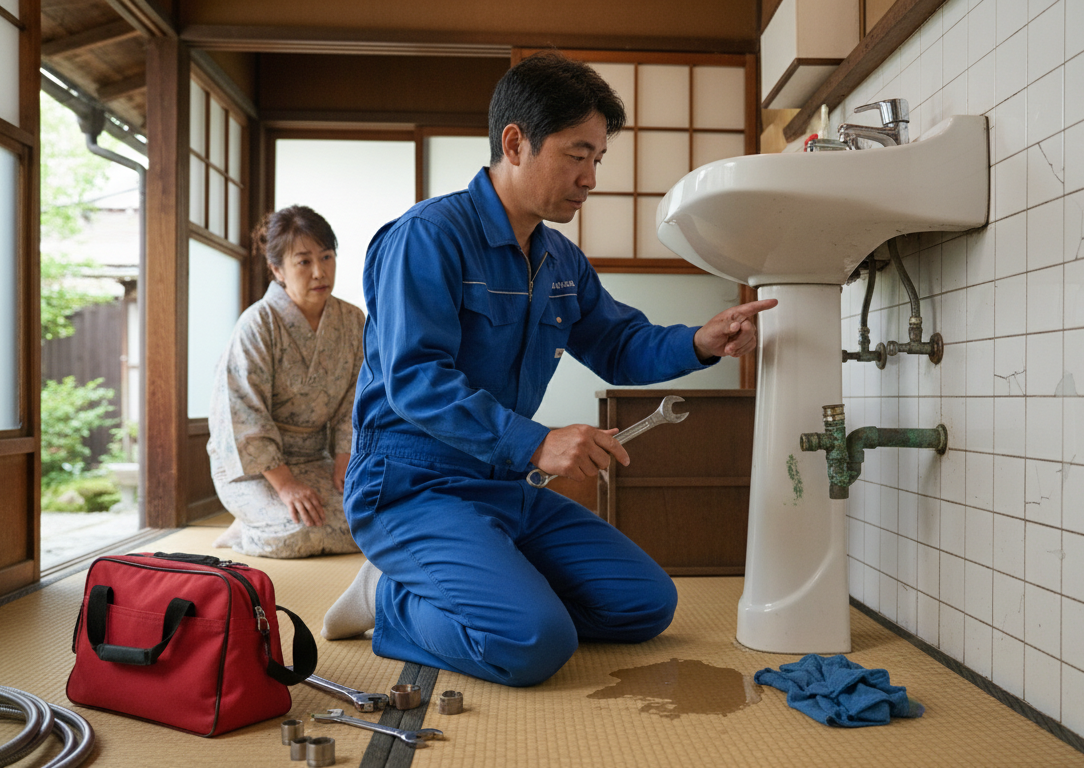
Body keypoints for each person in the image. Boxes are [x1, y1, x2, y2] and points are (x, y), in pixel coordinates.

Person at [322, 53, 776, 685]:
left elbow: (620, 343)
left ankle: (479, 580)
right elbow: (414, 378)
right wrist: (538, 442)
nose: (591, 177)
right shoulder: (427, 236)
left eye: (598, 160)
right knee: (534, 642)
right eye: (576, 154)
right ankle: (389, 600)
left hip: (502, 483)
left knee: (647, 603)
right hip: (410, 485)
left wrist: (701, 340)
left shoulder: (561, 260)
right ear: (515, 142)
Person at [207, 205, 364, 559]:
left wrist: (345, 459)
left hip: (317, 458)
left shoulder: (353, 321)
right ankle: (246, 527)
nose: (320, 272)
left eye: (327, 257)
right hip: (256, 468)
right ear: (277, 270)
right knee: (298, 534)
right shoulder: (257, 325)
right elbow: (242, 413)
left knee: (369, 523)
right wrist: (287, 485)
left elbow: (357, 399)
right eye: (304, 262)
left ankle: (261, 520)